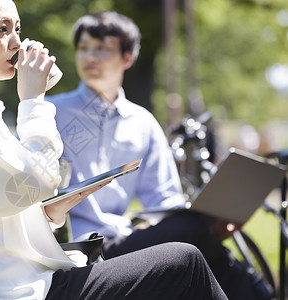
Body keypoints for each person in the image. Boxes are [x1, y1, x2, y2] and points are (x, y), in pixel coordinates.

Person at [0, 1, 227, 299]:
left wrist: (48, 213)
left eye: (17, 29)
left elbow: (6, 202)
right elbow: (39, 180)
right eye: (1, 30)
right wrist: (32, 100)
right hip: (26, 292)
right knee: (184, 261)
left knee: (183, 257)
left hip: (32, 282)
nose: (16, 42)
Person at [46, 11, 270, 300]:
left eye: (102, 48)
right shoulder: (50, 111)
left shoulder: (143, 123)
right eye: (84, 47)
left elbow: (164, 200)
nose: (90, 56)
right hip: (79, 247)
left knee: (197, 231)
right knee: (195, 233)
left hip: (123, 240)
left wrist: (209, 217)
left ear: (127, 58)